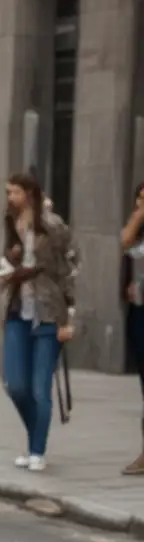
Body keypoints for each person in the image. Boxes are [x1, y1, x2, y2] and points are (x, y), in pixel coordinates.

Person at [0, 173, 77, 472]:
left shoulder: (53, 226)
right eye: (8, 192)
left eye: (15, 192)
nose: (10, 197)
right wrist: (8, 270)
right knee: (15, 385)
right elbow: (9, 258)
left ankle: (37, 451)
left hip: (48, 312)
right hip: (18, 309)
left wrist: (69, 315)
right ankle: (35, 438)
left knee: (40, 389)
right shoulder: (10, 222)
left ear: (30, 193)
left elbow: (70, 268)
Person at [123, 182, 144, 476]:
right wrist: (139, 215)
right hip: (140, 311)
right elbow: (125, 241)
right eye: (139, 198)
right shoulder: (137, 229)